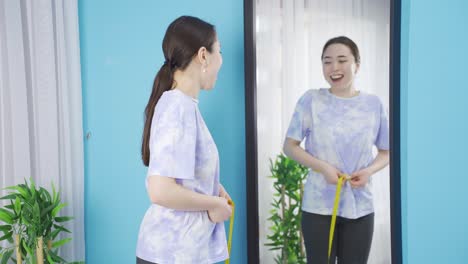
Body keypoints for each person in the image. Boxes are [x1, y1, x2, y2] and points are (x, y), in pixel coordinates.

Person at [283, 36, 390, 264]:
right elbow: (290, 146)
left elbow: (386, 151)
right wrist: (323, 168)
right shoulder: (311, 100)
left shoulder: (373, 104)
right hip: (318, 207)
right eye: (327, 61)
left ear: (357, 65)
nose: (334, 68)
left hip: (360, 206)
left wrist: (369, 171)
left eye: (342, 60)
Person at [136, 16, 232, 264]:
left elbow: (182, 177)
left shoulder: (182, 106)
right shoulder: (177, 107)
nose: (221, 60)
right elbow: (160, 190)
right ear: (203, 55)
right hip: (172, 254)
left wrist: (213, 188)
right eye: (219, 51)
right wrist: (214, 204)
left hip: (180, 252)